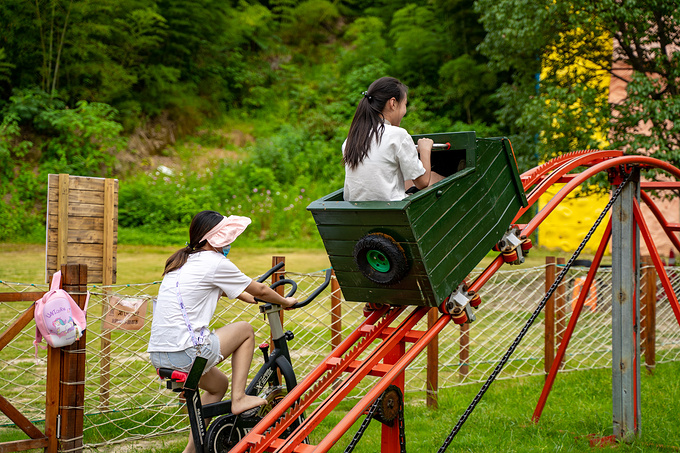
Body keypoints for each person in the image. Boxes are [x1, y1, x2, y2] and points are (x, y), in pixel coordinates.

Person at [147, 210, 298, 453]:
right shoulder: (215, 262)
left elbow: (241, 291)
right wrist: (285, 301)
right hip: (187, 351)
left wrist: (250, 296)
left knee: (218, 385)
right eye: (225, 239)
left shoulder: (181, 262)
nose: (228, 244)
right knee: (246, 330)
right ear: (212, 239)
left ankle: (192, 449)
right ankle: (240, 398)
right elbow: (259, 289)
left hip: (160, 353)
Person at [343, 76, 444, 201]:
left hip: (356, 212)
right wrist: (425, 149)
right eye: (405, 104)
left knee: (405, 181)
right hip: (393, 212)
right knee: (435, 178)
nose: (405, 110)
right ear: (393, 103)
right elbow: (422, 182)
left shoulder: (351, 139)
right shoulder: (398, 135)